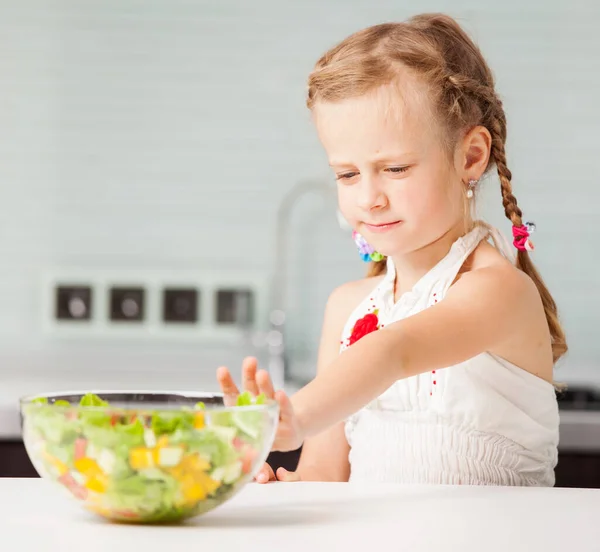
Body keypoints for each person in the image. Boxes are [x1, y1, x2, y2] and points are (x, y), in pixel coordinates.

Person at [217, 13, 567, 486]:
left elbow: (393, 351)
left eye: (396, 168)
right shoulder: (345, 309)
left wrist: (294, 416)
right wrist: (284, 486)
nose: (369, 197)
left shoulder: (499, 291)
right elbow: (325, 474)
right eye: (347, 174)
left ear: (470, 156)